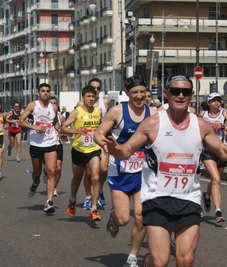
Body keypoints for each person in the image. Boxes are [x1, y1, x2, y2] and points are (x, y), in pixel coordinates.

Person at [101, 73, 227, 266]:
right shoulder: (152, 123)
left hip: (188, 198)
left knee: (186, 259)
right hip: (157, 198)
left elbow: (222, 151)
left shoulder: (200, 125)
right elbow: (126, 150)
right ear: (166, 93)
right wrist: (116, 150)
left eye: (185, 91)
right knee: (159, 262)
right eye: (175, 91)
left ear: (192, 95)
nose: (180, 95)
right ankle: (149, 260)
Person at [93, 75, 156, 267]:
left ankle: (132, 257)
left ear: (147, 92)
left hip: (143, 172)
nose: (138, 96)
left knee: (141, 216)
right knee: (123, 219)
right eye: (134, 92)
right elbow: (98, 133)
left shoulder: (153, 113)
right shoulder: (117, 112)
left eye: (142, 92)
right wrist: (104, 145)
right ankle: (113, 217)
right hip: (120, 170)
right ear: (127, 93)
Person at [62, 85, 103, 221]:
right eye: (88, 96)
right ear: (83, 98)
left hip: (94, 149)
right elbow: (63, 128)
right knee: (77, 178)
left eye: (93, 96)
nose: (91, 99)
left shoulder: (98, 112)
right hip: (79, 149)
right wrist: (75, 131)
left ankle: (94, 208)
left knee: (95, 177)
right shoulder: (76, 112)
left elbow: (101, 128)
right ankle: (72, 199)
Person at [19, 83, 61, 213]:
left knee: (51, 171)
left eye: (48, 91)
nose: (45, 93)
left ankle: (49, 202)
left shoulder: (53, 107)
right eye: (43, 91)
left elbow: (55, 124)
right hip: (36, 144)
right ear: (38, 93)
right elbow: (21, 121)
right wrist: (34, 127)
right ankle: (35, 184)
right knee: (36, 173)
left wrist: (61, 132)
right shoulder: (33, 105)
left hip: (50, 143)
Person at [200, 92, 227, 223]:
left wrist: (222, 126)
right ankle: (218, 211)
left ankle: (207, 195)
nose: (217, 103)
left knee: (216, 179)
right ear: (209, 103)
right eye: (214, 100)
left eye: (218, 100)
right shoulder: (203, 115)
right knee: (215, 179)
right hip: (207, 150)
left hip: (221, 149)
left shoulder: (225, 114)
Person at [77, 78, 111, 210]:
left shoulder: (106, 102)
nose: (95, 91)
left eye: (98, 88)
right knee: (89, 171)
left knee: (103, 169)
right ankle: (87, 197)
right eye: (93, 88)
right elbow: (78, 119)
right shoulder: (80, 104)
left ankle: (99, 190)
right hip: (87, 141)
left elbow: (112, 118)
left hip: (102, 139)